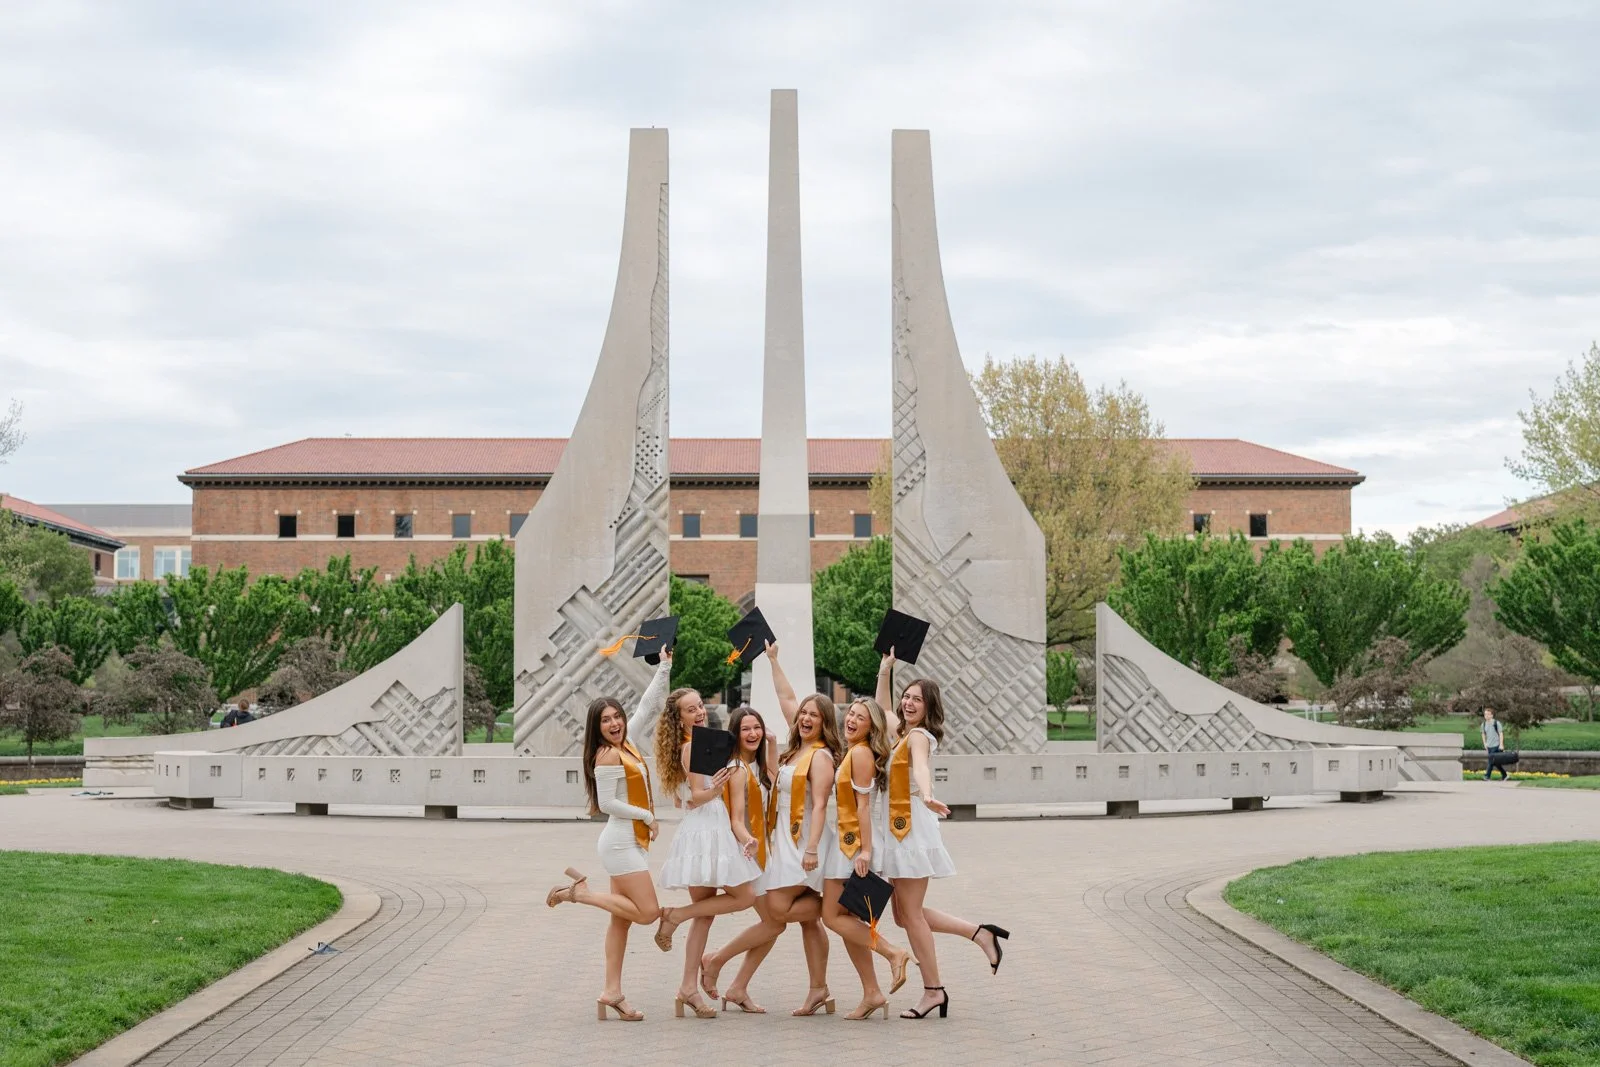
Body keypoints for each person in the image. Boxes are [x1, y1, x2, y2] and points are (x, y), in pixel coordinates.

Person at [700, 646, 836, 1016]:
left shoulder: (821, 754)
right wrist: (774, 660)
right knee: (802, 920)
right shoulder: (793, 749)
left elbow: (820, 804)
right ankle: (808, 989)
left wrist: (809, 848)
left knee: (777, 914)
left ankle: (718, 959)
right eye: (803, 714)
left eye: (814, 715)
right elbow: (787, 696)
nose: (805, 718)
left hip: (804, 842)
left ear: (826, 723)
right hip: (783, 843)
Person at [876, 652, 1010, 1019]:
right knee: (905, 915)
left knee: (911, 916)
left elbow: (920, 767)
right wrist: (885, 670)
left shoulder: (918, 736)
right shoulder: (900, 732)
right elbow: (881, 712)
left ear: (929, 707)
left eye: (917, 699)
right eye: (906, 696)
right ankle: (980, 933)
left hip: (909, 829)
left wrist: (928, 793)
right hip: (895, 828)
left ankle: (933, 990)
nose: (908, 702)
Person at [543, 653, 676, 1021]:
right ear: (597, 727)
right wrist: (648, 815)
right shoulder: (606, 756)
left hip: (628, 842)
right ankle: (581, 894)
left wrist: (664, 665)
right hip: (619, 843)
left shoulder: (625, 745)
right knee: (649, 913)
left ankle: (612, 992)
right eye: (607, 720)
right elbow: (607, 803)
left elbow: (649, 705)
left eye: (617, 716)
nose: (615, 723)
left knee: (621, 921)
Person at [653, 685, 762, 1018]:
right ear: (679, 718)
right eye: (691, 709)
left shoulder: (699, 743)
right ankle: (675, 917)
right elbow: (697, 796)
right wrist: (717, 785)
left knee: (704, 913)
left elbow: (683, 798)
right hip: (705, 829)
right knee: (744, 897)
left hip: (706, 827)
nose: (700, 712)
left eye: (700, 706)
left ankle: (688, 987)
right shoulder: (689, 748)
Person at [821, 696, 914, 1020]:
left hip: (853, 843)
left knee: (831, 917)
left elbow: (862, 806)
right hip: (850, 840)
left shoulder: (860, 753)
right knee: (850, 922)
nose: (851, 719)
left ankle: (893, 952)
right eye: (850, 714)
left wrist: (865, 851)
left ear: (869, 726)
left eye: (859, 717)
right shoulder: (854, 751)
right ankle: (872, 993)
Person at [1482, 706, 1508, 780]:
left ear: (1492, 715)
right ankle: (1505, 775)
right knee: (1496, 762)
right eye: (1485, 714)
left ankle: (1487, 776)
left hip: (1496, 745)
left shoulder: (1496, 723)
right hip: (1489, 746)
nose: (1486, 716)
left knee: (1491, 760)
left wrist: (1501, 744)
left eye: (1488, 714)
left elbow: (1501, 733)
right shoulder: (1483, 724)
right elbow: (1483, 734)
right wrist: (1485, 744)